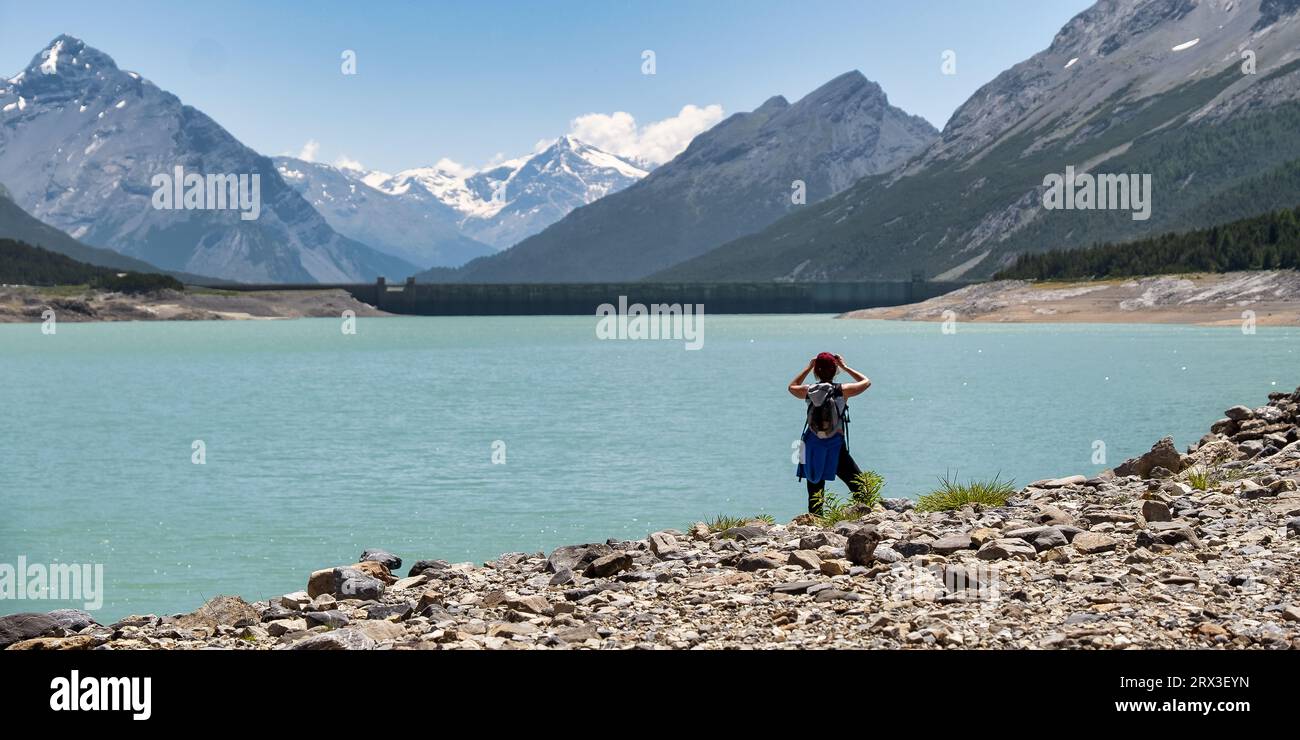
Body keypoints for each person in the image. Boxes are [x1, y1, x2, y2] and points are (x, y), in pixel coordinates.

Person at [788, 352, 871, 515]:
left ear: (816, 372)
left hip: (811, 445)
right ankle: (863, 516)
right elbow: (866, 382)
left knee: (815, 494)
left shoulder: (808, 390)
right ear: (835, 370)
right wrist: (845, 367)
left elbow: (791, 387)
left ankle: (815, 526)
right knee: (861, 487)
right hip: (835, 445)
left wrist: (808, 367)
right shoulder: (842, 390)